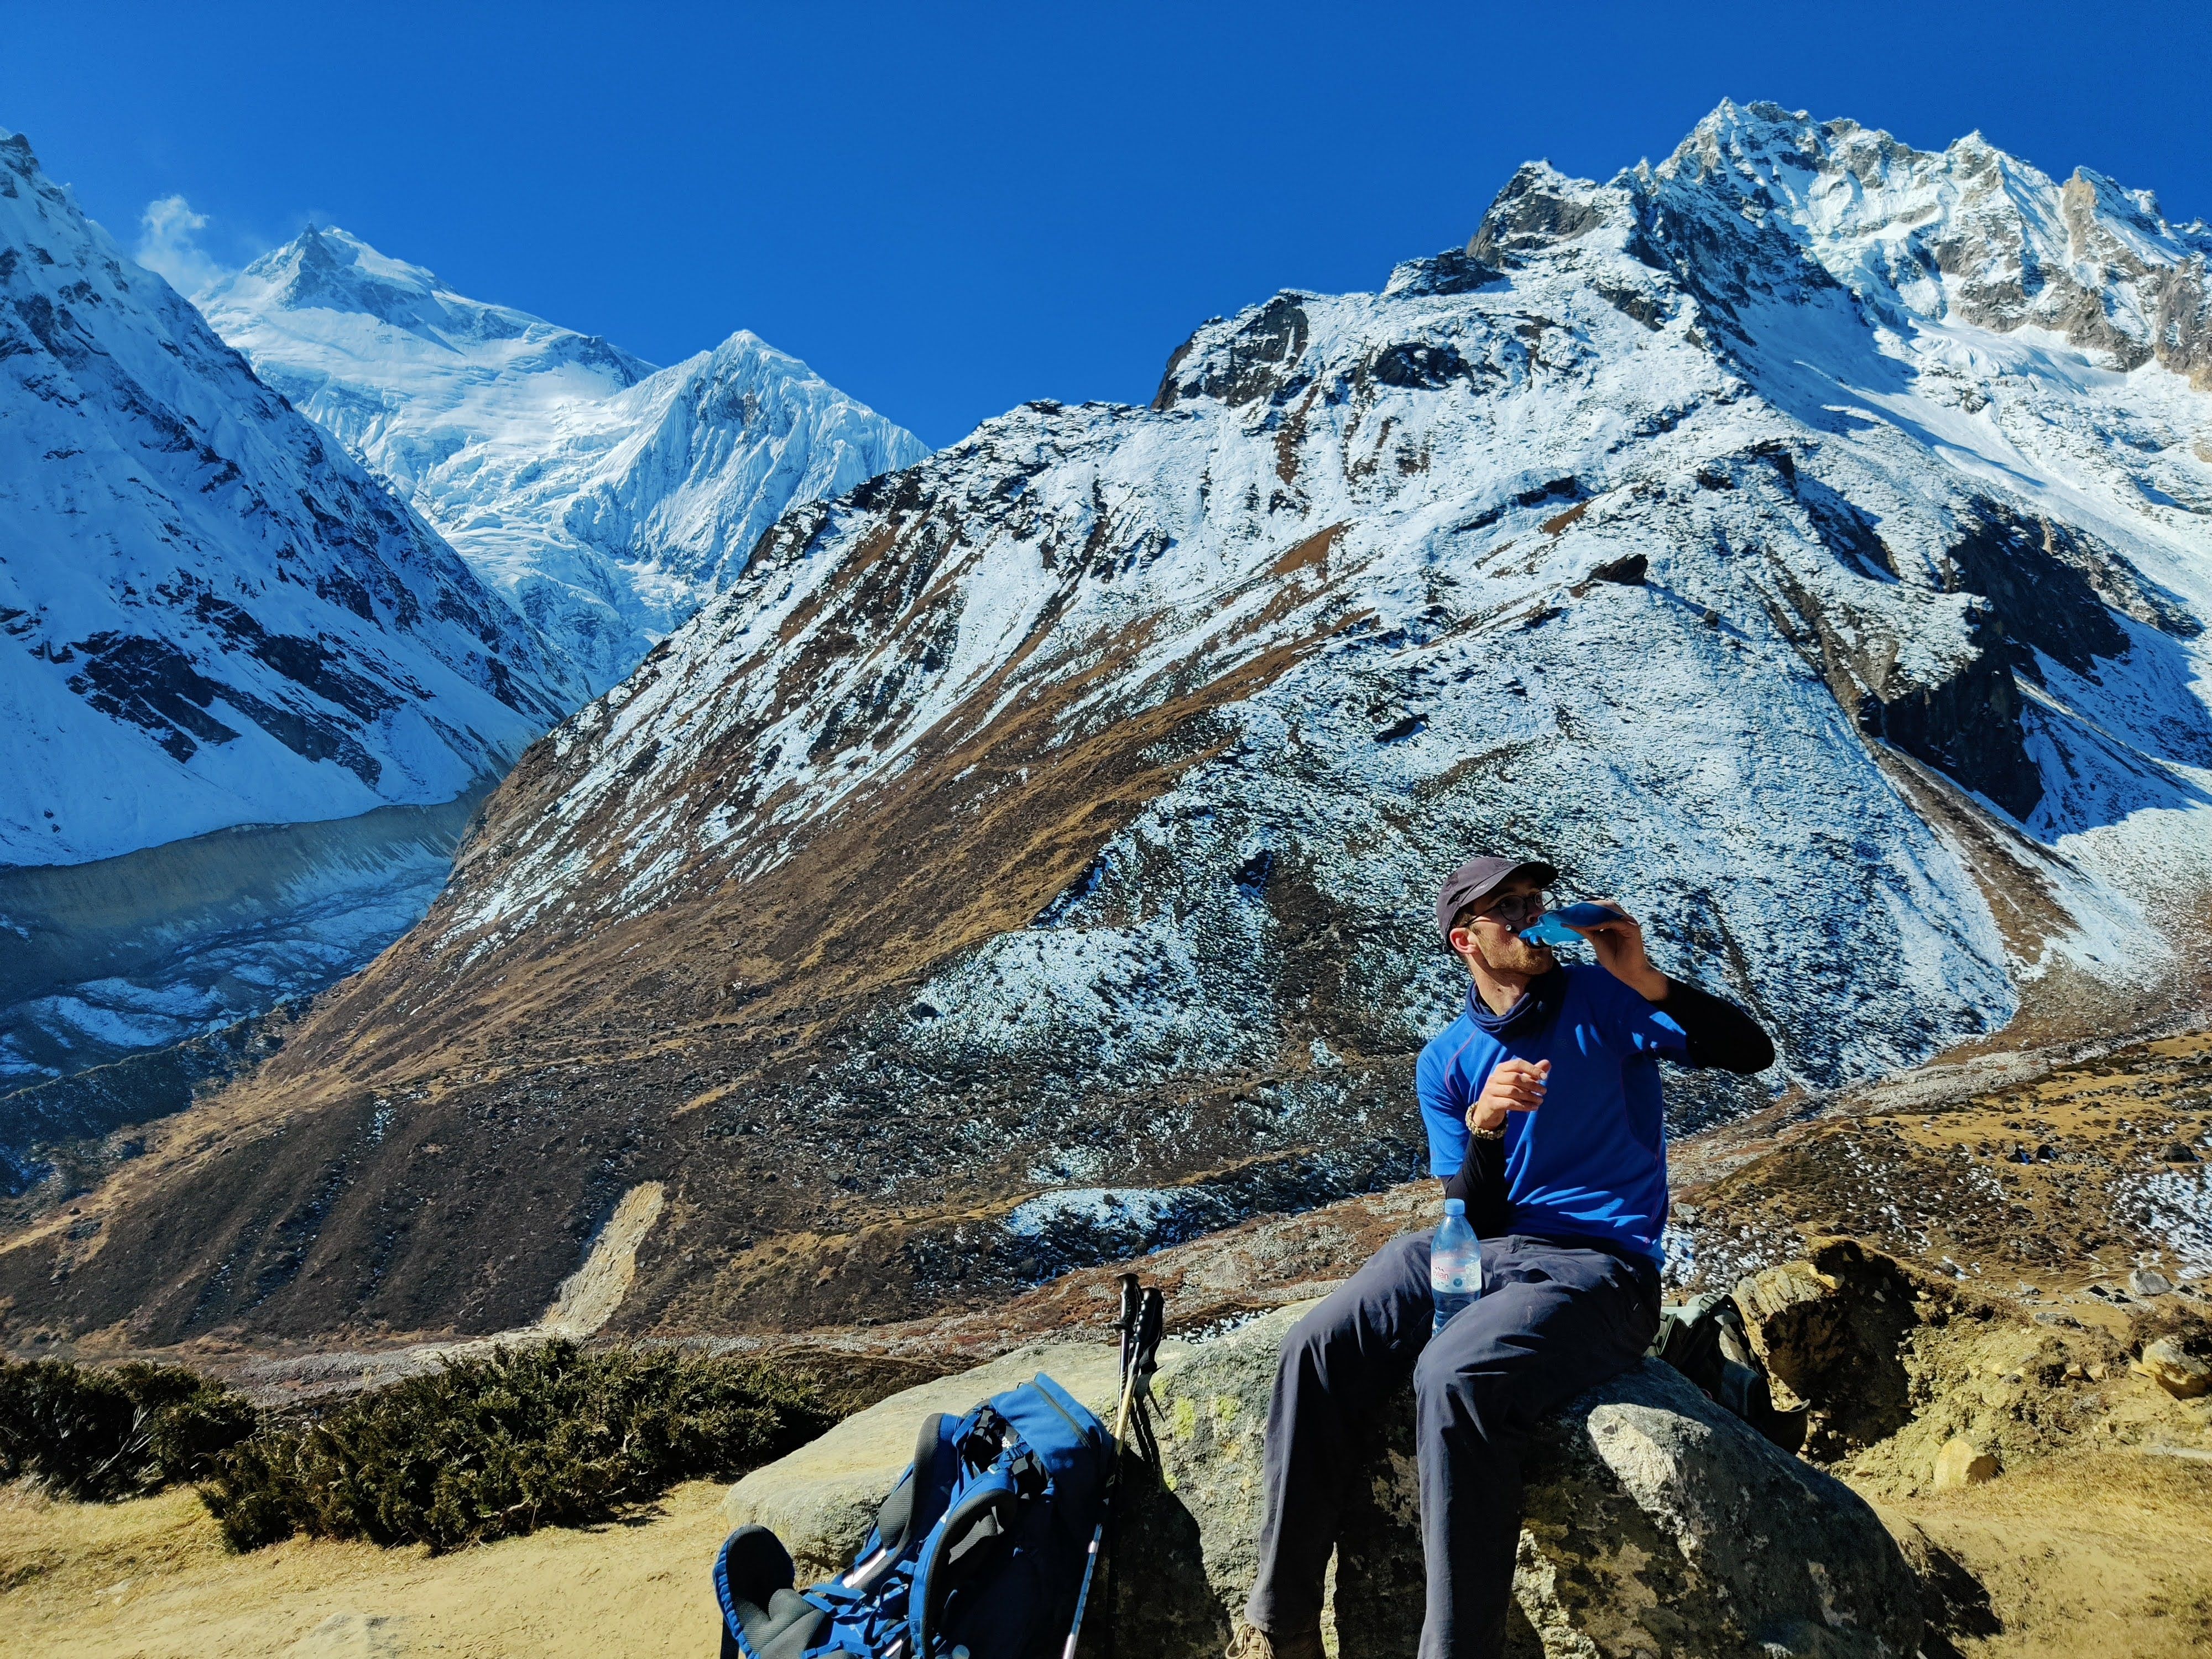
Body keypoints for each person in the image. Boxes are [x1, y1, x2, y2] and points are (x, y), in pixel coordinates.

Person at [1227, 855, 1775, 1659]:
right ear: (1466, 941)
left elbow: (1750, 1053)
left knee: (1455, 1375)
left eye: (1533, 901)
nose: (1531, 916)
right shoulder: (1446, 1060)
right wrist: (1486, 1124)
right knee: (1318, 1347)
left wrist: (1645, 975)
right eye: (1507, 909)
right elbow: (1469, 1214)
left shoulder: (1605, 1000)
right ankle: (1281, 1627)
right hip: (1485, 1249)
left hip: (1600, 1267)